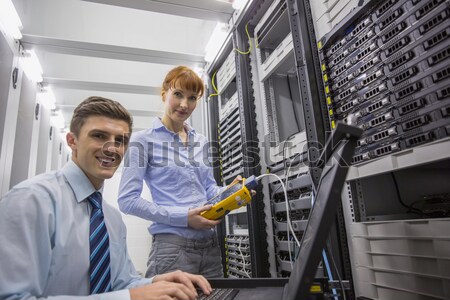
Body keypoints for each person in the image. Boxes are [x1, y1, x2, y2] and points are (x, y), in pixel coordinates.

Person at [0, 96, 212, 300]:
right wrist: (131, 296)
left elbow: (122, 284)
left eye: (120, 141)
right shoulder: (32, 201)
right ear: (72, 140)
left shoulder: (110, 218)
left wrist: (156, 282)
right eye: (99, 136)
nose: (112, 148)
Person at [118, 66, 240, 278]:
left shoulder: (200, 141)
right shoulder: (143, 142)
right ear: (164, 93)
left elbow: (208, 188)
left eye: (192, 98)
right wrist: (184, 218)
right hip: (172, 250)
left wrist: (230, 192)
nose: (185, 104)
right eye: (178, 94)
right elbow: (127, 200)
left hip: (210, 247)